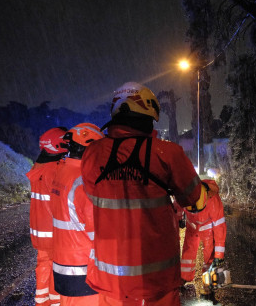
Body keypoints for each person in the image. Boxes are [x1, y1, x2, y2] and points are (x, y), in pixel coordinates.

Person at [81, 81, 205, 306]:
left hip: (112, 281)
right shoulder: (168, 153)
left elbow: (93, 195)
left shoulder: (92, 154)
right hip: (158, 281)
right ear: (148, 116)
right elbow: (193, 197)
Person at [50, 123, 104, 305]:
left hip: (64, 268)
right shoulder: (84, 181)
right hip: (84, 272)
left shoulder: (62, 173)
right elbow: (99, 232)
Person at [27, 127, 69, 306]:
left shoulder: (38, 166)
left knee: (43, 265)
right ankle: (56, 303)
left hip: (39, 232)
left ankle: (42, 302)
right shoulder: (56, 169)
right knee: (57, 268)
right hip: (53, 231)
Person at [180, 179, 227, 296]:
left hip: (208, 231)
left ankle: (210, 284)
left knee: (209, 256)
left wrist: (219, 256)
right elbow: (177, 207)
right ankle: (184, 278)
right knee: (188, 255)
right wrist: (179, 217)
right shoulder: (185, 195)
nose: (195, 213)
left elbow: (220, 230)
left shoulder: (213, 201)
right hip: (192, 228)